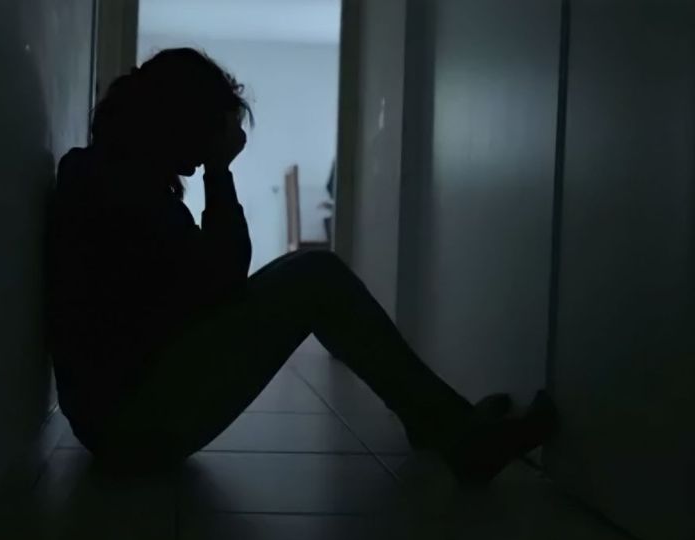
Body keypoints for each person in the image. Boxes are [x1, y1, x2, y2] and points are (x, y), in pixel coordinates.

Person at [46, 48, 553, 485]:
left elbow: (200, 289)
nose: (204, 152)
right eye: (211, 132)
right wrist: (219, 172)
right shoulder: (122, 187)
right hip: (133, 426)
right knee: (317, 277)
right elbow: (221, 281)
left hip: (119, 416)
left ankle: (437, 418)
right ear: (182, 120)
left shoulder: (110, 173)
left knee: (313, 270)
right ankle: (456, 434)